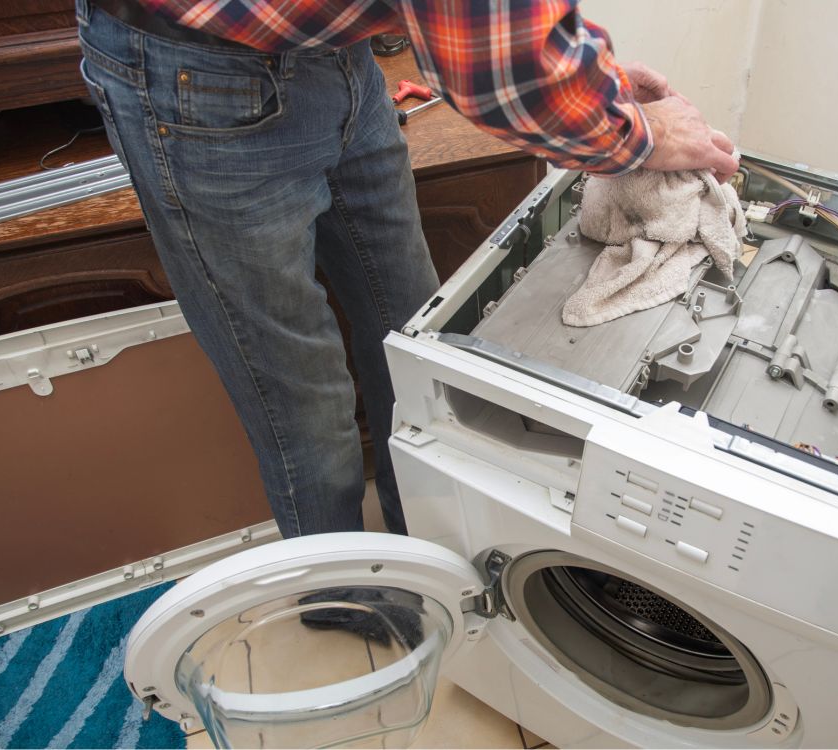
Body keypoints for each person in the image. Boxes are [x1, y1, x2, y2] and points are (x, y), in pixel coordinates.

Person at [75, 0, 738, 539]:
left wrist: (600, 84)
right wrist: (637, 134)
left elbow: (512, 24)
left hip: (340, 58)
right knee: (301, 398)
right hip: (197, 78)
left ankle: (423, 546)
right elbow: (496, 60)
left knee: (412, 336)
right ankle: (347, 602)